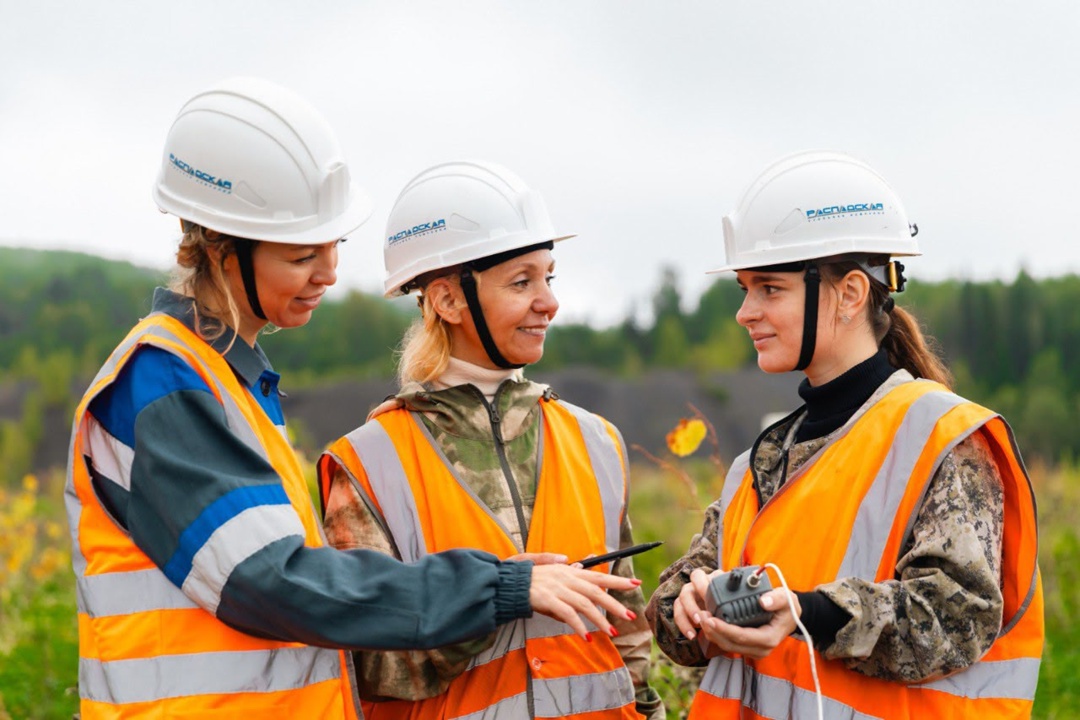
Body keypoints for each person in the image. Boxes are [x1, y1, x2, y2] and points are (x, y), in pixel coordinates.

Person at [64, 79, 638, 720]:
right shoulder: (160, 383)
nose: (330, 272)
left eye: (334, 245)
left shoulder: (228, 381)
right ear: (223, 248)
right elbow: (271, 582)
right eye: (304, 253)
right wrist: (501, 586)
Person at [646, 150, 1043, 719]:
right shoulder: (760, 462)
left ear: (851, 294)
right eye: (743, 289)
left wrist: (809, 614)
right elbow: (675, 602)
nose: (745, 312)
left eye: (769, 289)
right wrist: (688, 608)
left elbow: (958, 618)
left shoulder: (942, 438)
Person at [318, 160, 665, 719]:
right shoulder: (368, 462)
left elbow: (627, 638)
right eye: (521, 281)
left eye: (549, 277)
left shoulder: (596, 441)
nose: (548, 302)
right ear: (448, 300)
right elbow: (368, 664)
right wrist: (498, 596)